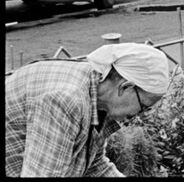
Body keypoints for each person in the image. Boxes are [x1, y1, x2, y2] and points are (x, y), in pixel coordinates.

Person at [6, 43, 170, 177]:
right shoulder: (66, 101)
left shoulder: (100, 98)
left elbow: (94, 165)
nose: (138, 117)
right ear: (126, 87)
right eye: (143, 107)